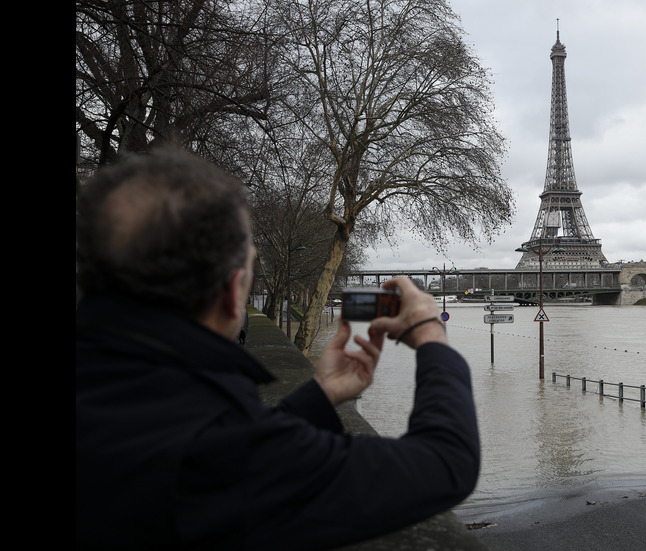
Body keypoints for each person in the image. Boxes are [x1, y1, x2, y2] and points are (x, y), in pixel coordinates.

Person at [75, 147, 480, 549]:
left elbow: (243, 449)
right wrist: (429, 331)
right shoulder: (209, 454)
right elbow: (447, 463)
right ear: (236, 293)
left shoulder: (114, 392)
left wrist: (321, 396)